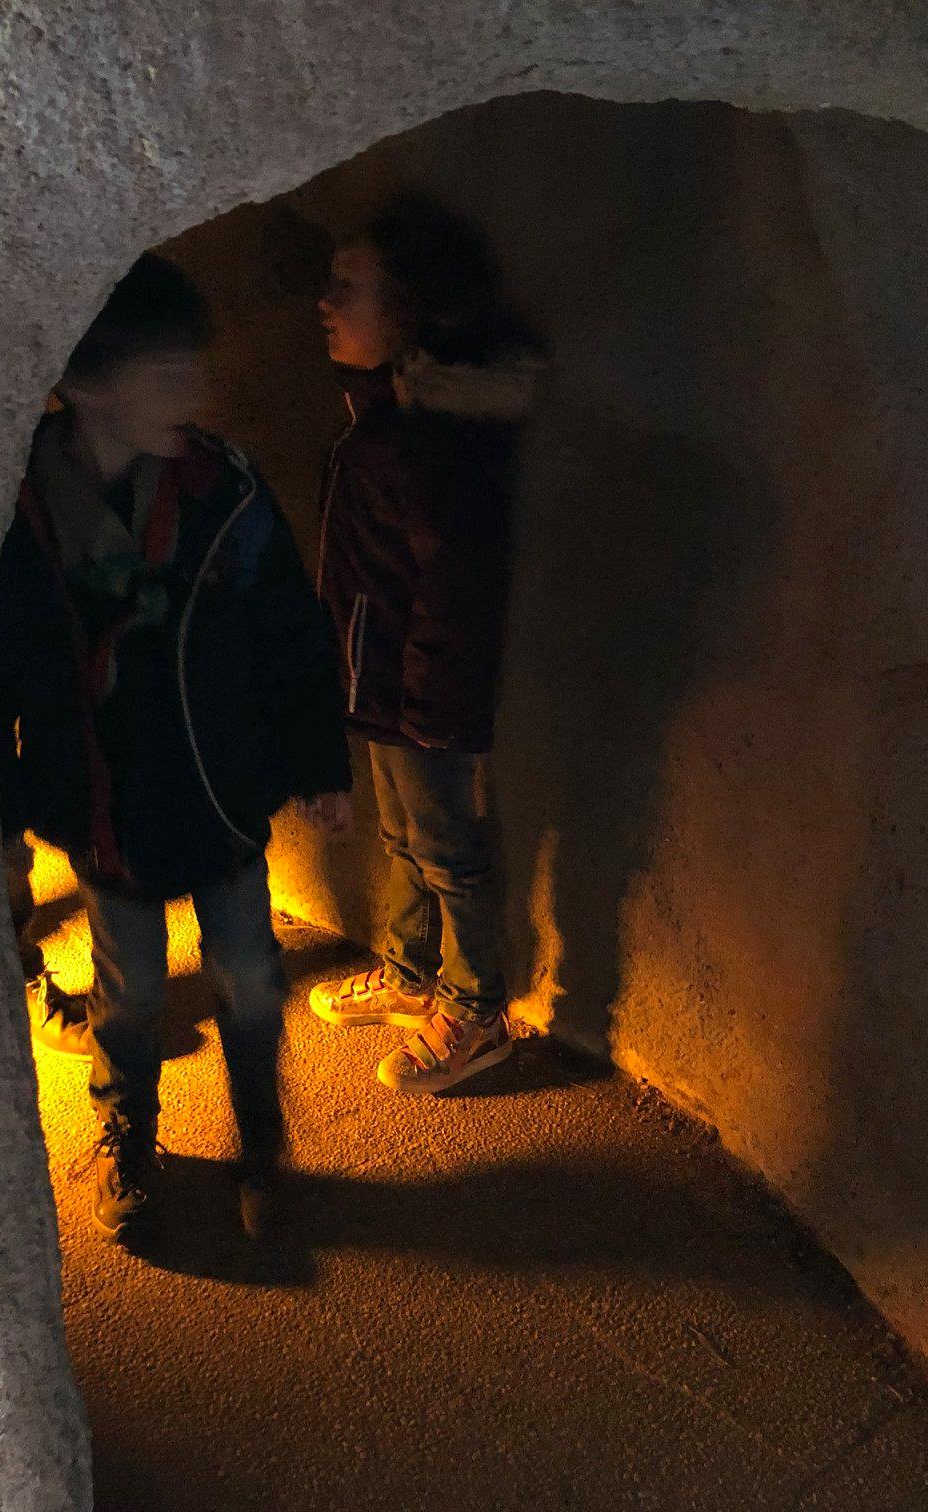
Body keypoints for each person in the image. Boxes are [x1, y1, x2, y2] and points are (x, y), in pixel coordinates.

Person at [0, 253, 353, 1245]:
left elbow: (291, 625)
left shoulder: (219, 490)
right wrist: (3, 793)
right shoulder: (19, 509)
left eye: (195, 372)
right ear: (86, 385)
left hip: (218, 787)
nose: (197, 396)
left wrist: (318, 761)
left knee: (247, 975)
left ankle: (262, 1143)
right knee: (132, 990)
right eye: (168, 378)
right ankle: (128, 1138)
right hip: (107, 804)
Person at [307, 196, 544, 1095]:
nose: (326, 304)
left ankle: (478, 1009)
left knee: (448, 847)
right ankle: (414, 975)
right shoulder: (384, 417)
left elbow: (457, 583)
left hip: (422, 693)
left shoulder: (436, 435)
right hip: (383, 680)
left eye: (348, 288)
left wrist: (430, 705)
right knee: (406, 837)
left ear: (409, 307)